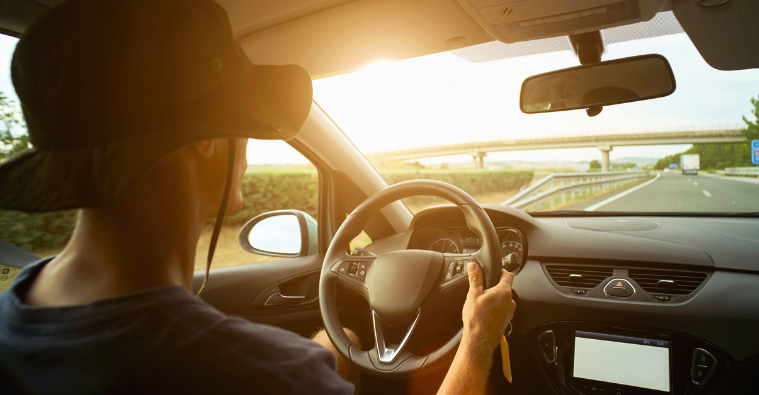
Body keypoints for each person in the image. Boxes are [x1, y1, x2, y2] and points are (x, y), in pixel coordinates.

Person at [0, 0, 516, 394]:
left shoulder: (13, 313)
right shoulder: (255, 373)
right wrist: (477, 338)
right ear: (206, 142)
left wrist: (323, 356)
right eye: (240, 123)